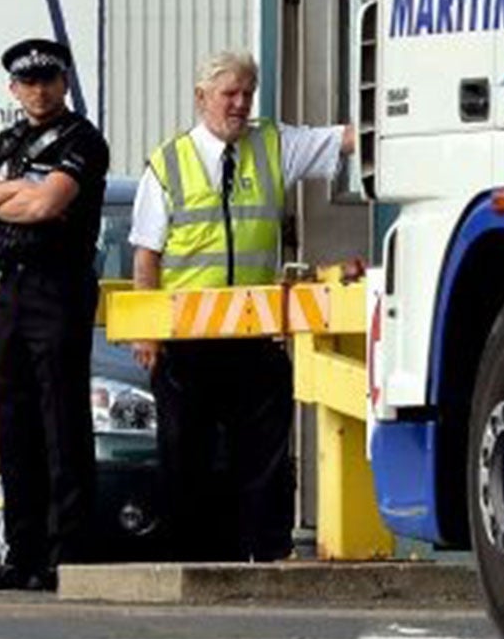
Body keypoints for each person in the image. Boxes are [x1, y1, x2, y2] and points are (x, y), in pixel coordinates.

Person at [129, 49, 354, 562]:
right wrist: (148, 332)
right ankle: (190, 559)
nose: (239, 105)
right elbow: (147, 255)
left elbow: (339, 141)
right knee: (187, 455)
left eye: (246, 95)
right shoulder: (168, 164)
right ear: (201, 98)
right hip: (188, 341)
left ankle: (264, 554)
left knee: (264, 454)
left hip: (252, 336)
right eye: (229, 94)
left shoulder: (272, 145)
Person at [0, 37, 111, 591]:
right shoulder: (4, 140)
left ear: (63, 82)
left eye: (48, 79)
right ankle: (22, 554)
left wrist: (7, 194)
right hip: (11, 285)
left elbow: (47, 204)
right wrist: (19, 188)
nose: (38, 90)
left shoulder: (82, 139)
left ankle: (68, 554)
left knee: (61, 420)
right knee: (16, 421)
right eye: (28, 82)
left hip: (60, 285)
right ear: (13, 89)